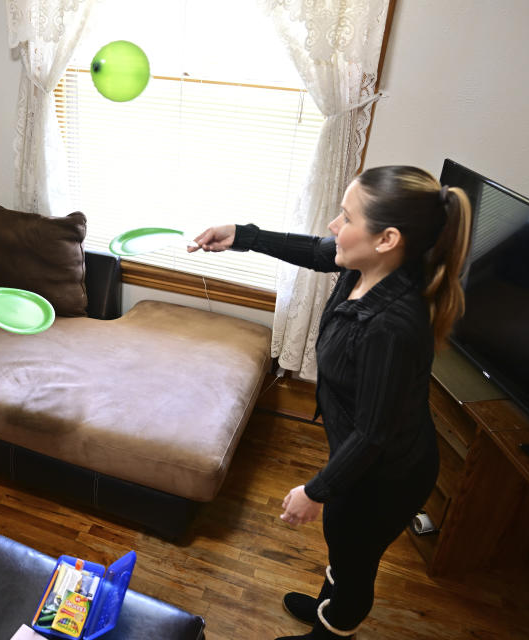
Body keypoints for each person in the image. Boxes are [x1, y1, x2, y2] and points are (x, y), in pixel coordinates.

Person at [190, 166, 471, 639]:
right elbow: (318, 251)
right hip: (363, 456)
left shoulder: (391, 326)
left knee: (354, 559)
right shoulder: (371, 270)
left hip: (385, 476)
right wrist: (241, 235)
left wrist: (315, 491)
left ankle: (333, 629)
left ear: (387, 239)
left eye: (346, 216)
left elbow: (373, 435)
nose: (333, 227)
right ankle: (329, 601)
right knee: (345, 548)